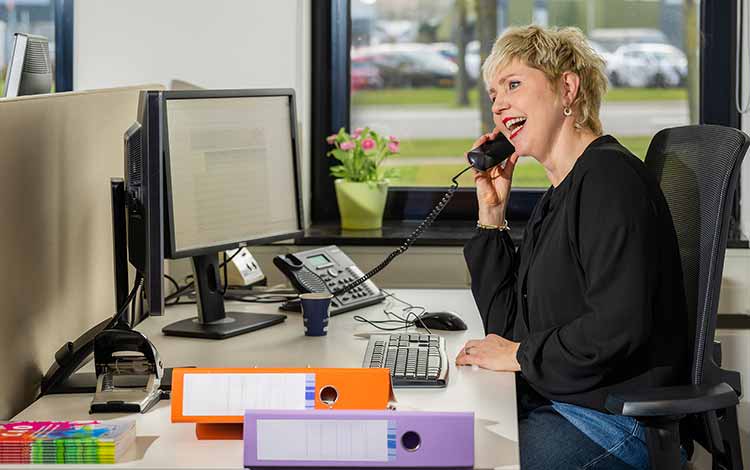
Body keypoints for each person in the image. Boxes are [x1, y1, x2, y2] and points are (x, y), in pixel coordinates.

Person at [456, 25, 691, 469]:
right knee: (443, 443)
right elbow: (508, 326)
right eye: (492, 93)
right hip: (563, 402)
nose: (499, 104)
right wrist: (491, 215)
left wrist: (520, 354)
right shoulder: (558, 194)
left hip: (618, 422)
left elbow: (617, 326)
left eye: (513, 84)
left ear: (567, 87)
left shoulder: (609, 181)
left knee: (475, 459)